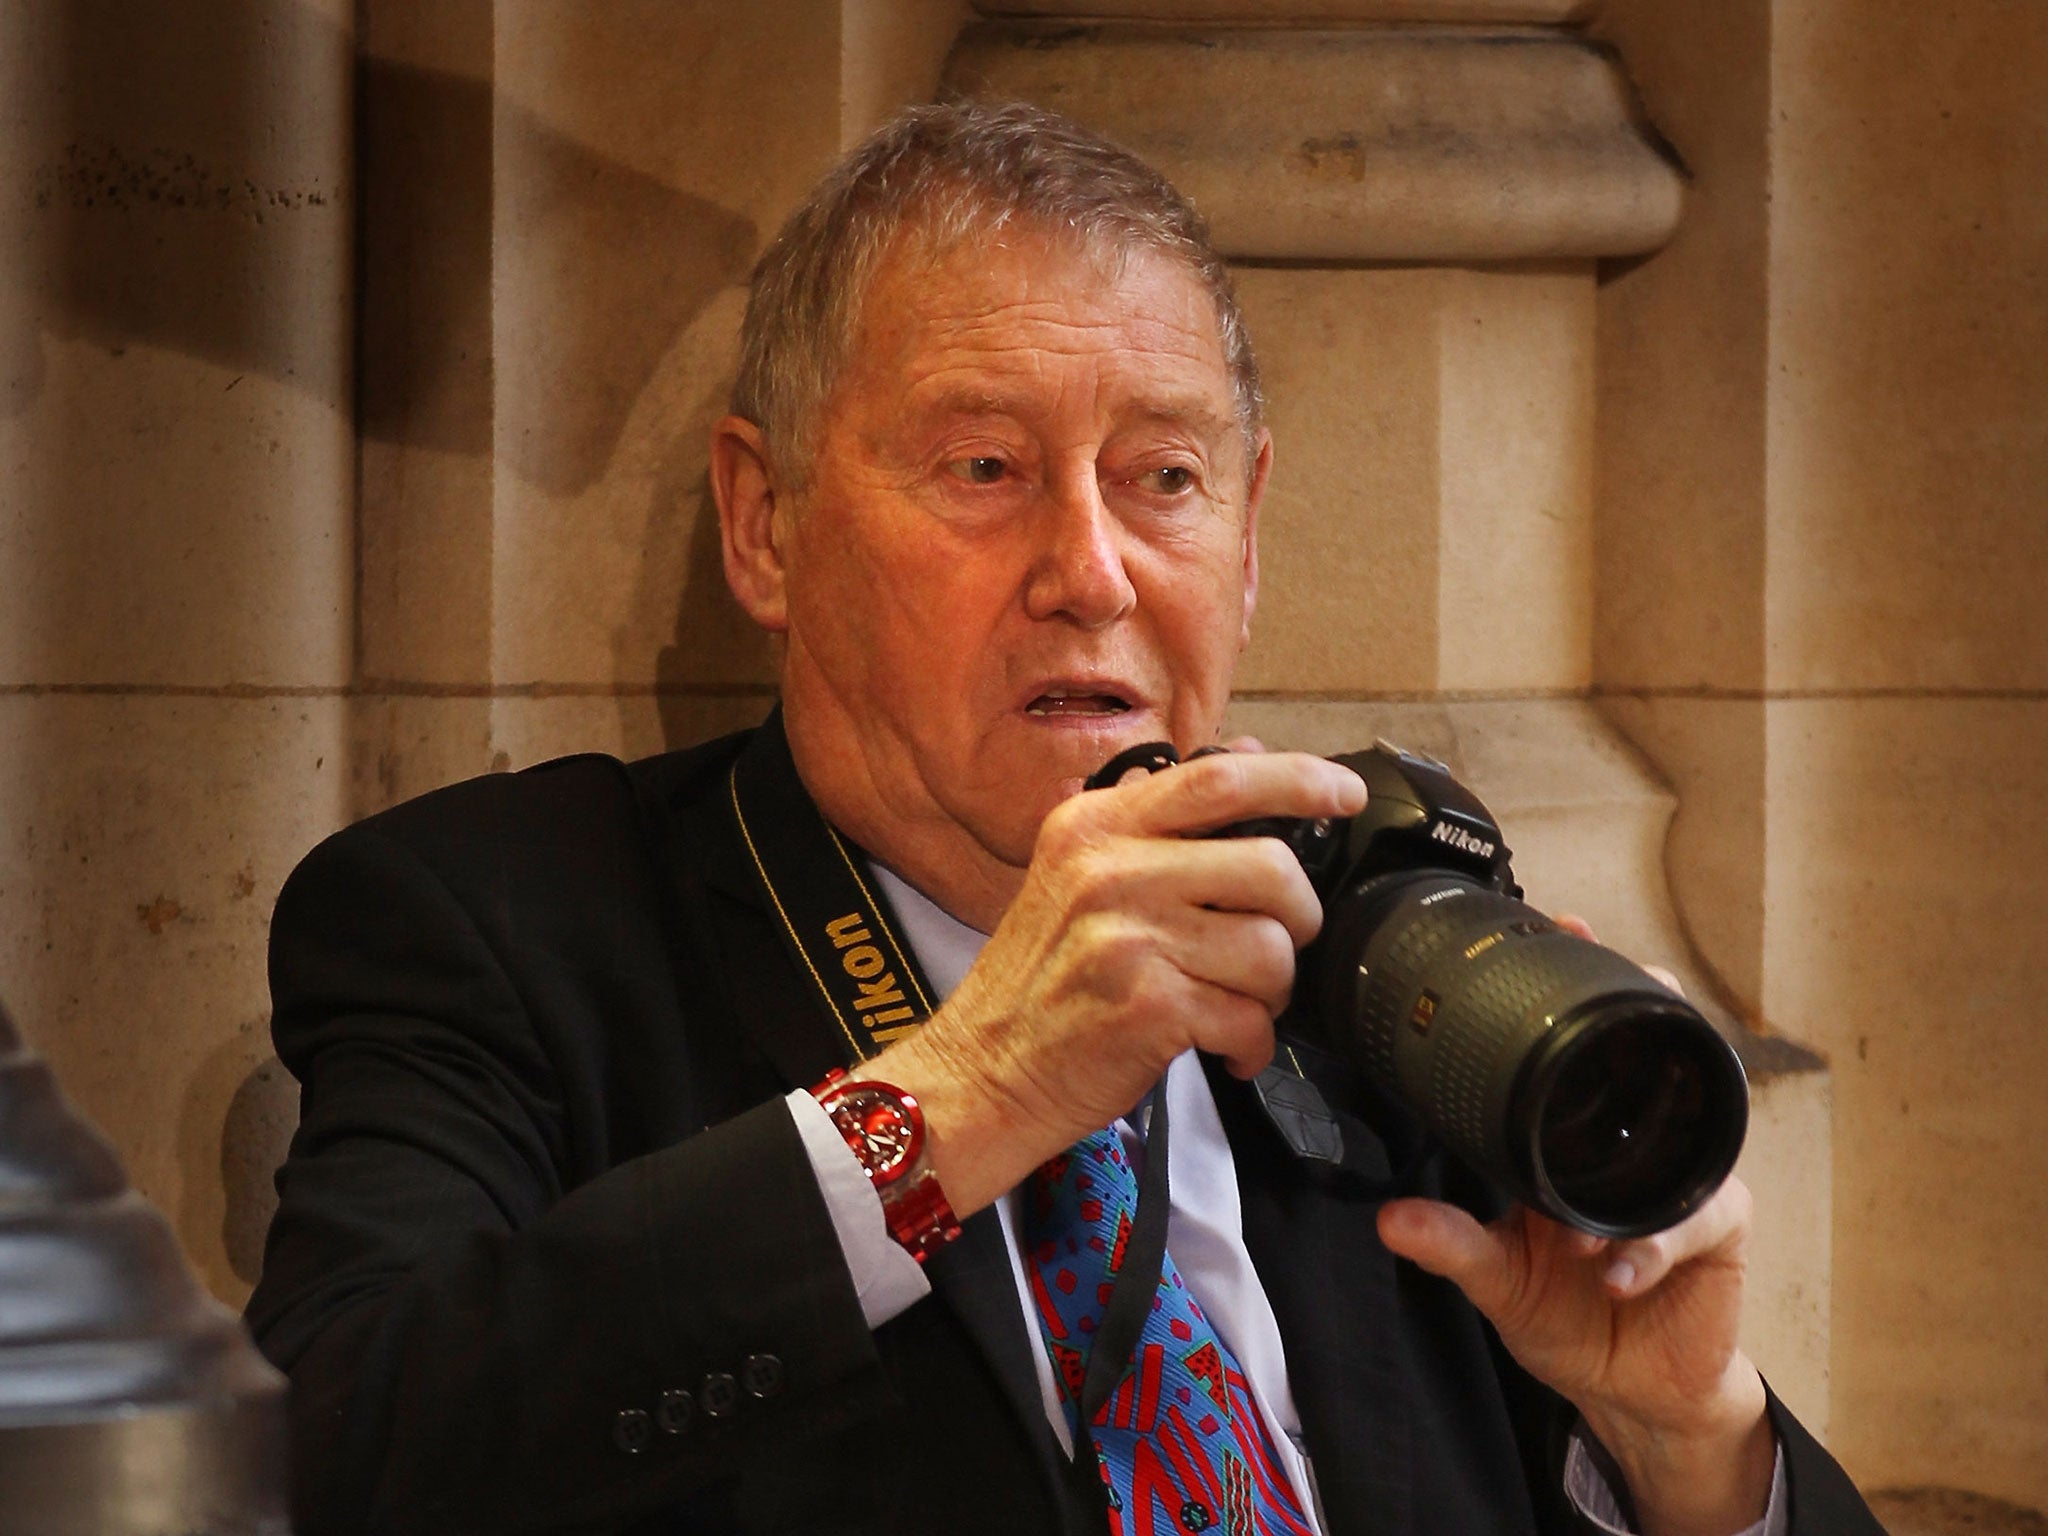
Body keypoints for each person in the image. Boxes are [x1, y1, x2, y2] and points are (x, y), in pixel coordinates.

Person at [246, 101, 1882, 1536]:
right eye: (982, 467)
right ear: (766, 525)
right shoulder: (504, 926)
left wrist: (1687, 1450)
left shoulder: (1377, 979)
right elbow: (334, 1459)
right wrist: (974, 1091)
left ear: (1244, 540)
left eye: (1164, 478)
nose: (1089, 572)